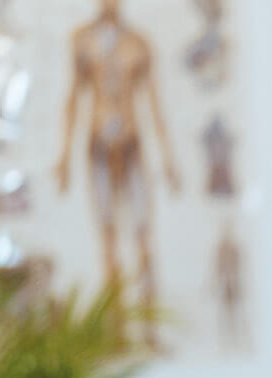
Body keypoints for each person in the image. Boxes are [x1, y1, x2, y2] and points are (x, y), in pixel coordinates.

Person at [54, 0, 182, 325]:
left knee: (142, 234)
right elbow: (74, 96)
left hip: (132, 144)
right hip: (98, 145)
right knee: (108, 237)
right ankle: (116, 326)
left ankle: (150, 322)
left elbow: (153, 101)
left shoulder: (138, 44)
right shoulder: (82, 41)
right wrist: (64, 155)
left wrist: (168, 158)